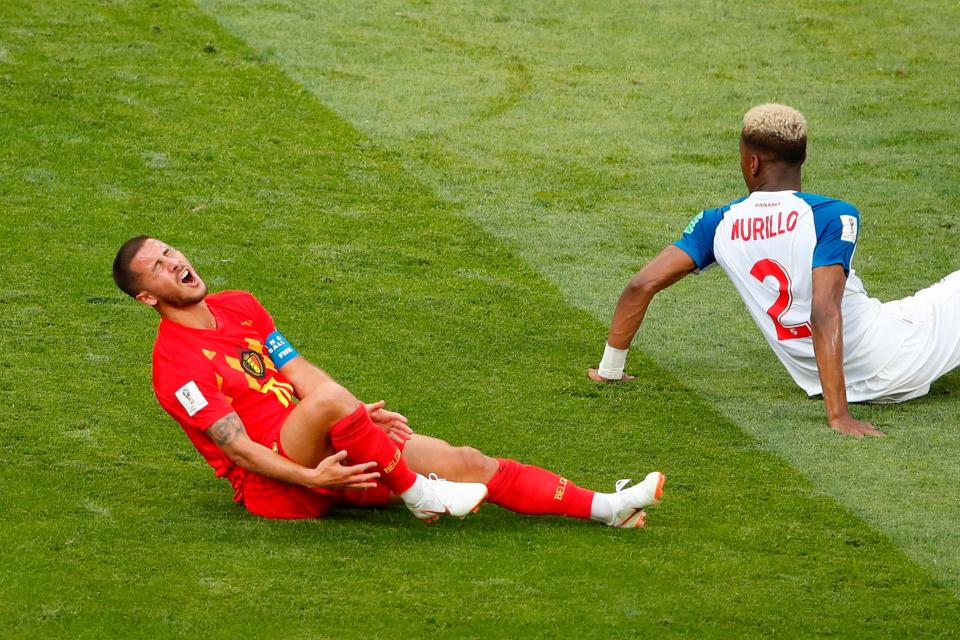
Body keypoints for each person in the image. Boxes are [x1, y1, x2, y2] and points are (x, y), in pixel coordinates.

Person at [114, 236, 665, 525]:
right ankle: (419, 497)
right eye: (159, 268)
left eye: (170, 252)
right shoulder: (176, 365)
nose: (175, 263)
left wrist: (356, 421)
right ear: (147, 297)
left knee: (468, 461)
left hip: (324, 445)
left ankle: (607, 508)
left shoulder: (240, 306)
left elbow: (300, 372)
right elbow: (239, 452)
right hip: (280, 488)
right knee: (332, 401)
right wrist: (314, 478)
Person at [590, 103, 960, 438]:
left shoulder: (716, 225)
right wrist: (838, 416)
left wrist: (610, 369)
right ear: (804, 156)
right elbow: (824, 310)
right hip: (896, 355)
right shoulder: (833, 214)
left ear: (752, 163)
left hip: (823, 379)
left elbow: (641, 286)